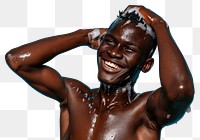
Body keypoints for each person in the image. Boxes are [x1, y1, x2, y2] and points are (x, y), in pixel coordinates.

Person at [5, 5, 194, 140]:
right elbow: (18, 61)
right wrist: (83, 36)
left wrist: (159, 24)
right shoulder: (75, 96)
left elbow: (180, 89)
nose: (113, 52)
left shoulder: (145, 112)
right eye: (110, 41)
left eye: (128, 49)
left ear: (146, 65)